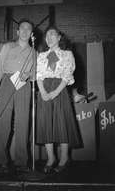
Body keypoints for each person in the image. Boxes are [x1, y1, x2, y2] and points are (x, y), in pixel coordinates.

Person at [0, 18, 35, 173]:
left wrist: (29, 73)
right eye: (22, 28)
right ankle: (2, 161)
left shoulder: (34, 52)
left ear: (31, 33)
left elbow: (37, 74)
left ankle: (22, 161)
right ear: (17, 31)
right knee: (4, 121)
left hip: (24, 85)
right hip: (7, 82)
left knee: (23, 122)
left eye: (28, 29)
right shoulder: (7, 47)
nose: (25, 31)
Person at [36, 26, 80, 173]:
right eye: (46, 35)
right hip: (44, 91)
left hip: (60, 90)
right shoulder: (41, 56)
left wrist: (56, 92)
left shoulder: (67, 54)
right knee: (47, 124)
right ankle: (50, 158)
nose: (48, 37)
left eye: (52, 34)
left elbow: (67, 75)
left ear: (59, 37)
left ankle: (64, 157)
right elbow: (39, 76)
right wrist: (42, 91)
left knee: (62, 124)